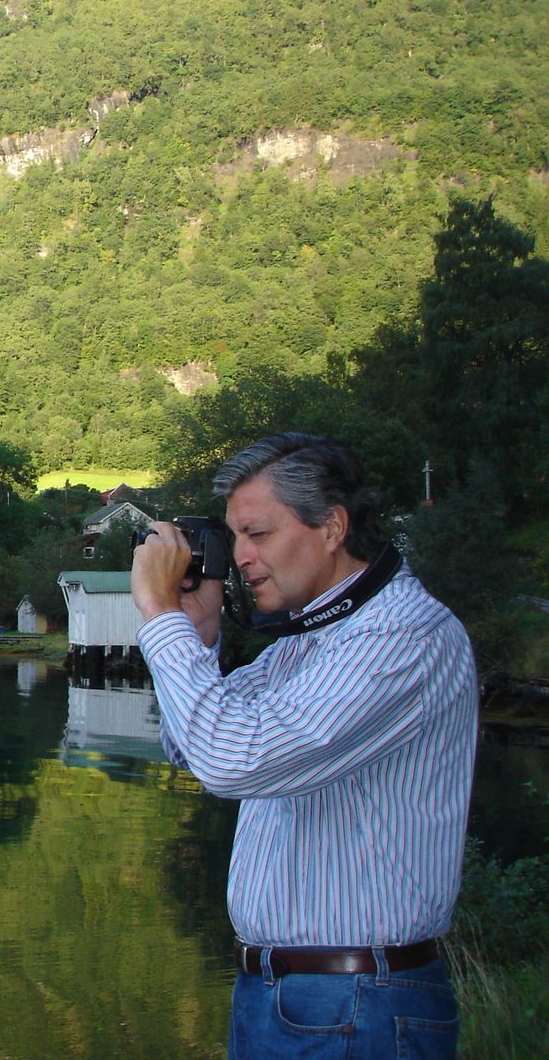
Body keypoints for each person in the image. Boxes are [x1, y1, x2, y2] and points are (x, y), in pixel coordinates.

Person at [130, 433, 477, 1060]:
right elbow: (192, 750)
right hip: (290, 995)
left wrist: (159, 616)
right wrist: (199, 634)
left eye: (258, 535)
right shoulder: (309, 642)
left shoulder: (400, 637)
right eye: (232, 539)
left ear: (332, 527)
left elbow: (229, 759)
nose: (240, 558)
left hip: (358, 1002)